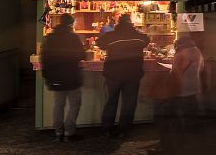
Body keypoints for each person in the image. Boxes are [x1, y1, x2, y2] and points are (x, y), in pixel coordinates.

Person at [96, 13, 150, 138]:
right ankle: (124, 130)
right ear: (130, 22)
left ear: (118, 22)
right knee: (129, 103)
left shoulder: (111, 36)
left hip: (113, 74)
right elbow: (147, 40)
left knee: (111, 102)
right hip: (133, 74)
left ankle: (107, 129)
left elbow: (99, 43)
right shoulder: (139, 36)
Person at [40, 14, 86, 142]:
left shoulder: (49, 38)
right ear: (71, 24)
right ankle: (69, 133)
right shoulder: (74, 38)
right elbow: (82, 55)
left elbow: (43, 57)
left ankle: (58, 132)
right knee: (74, 105)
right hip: (72, 77)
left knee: (58, 105)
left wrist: (46, 75)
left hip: (55, 77)